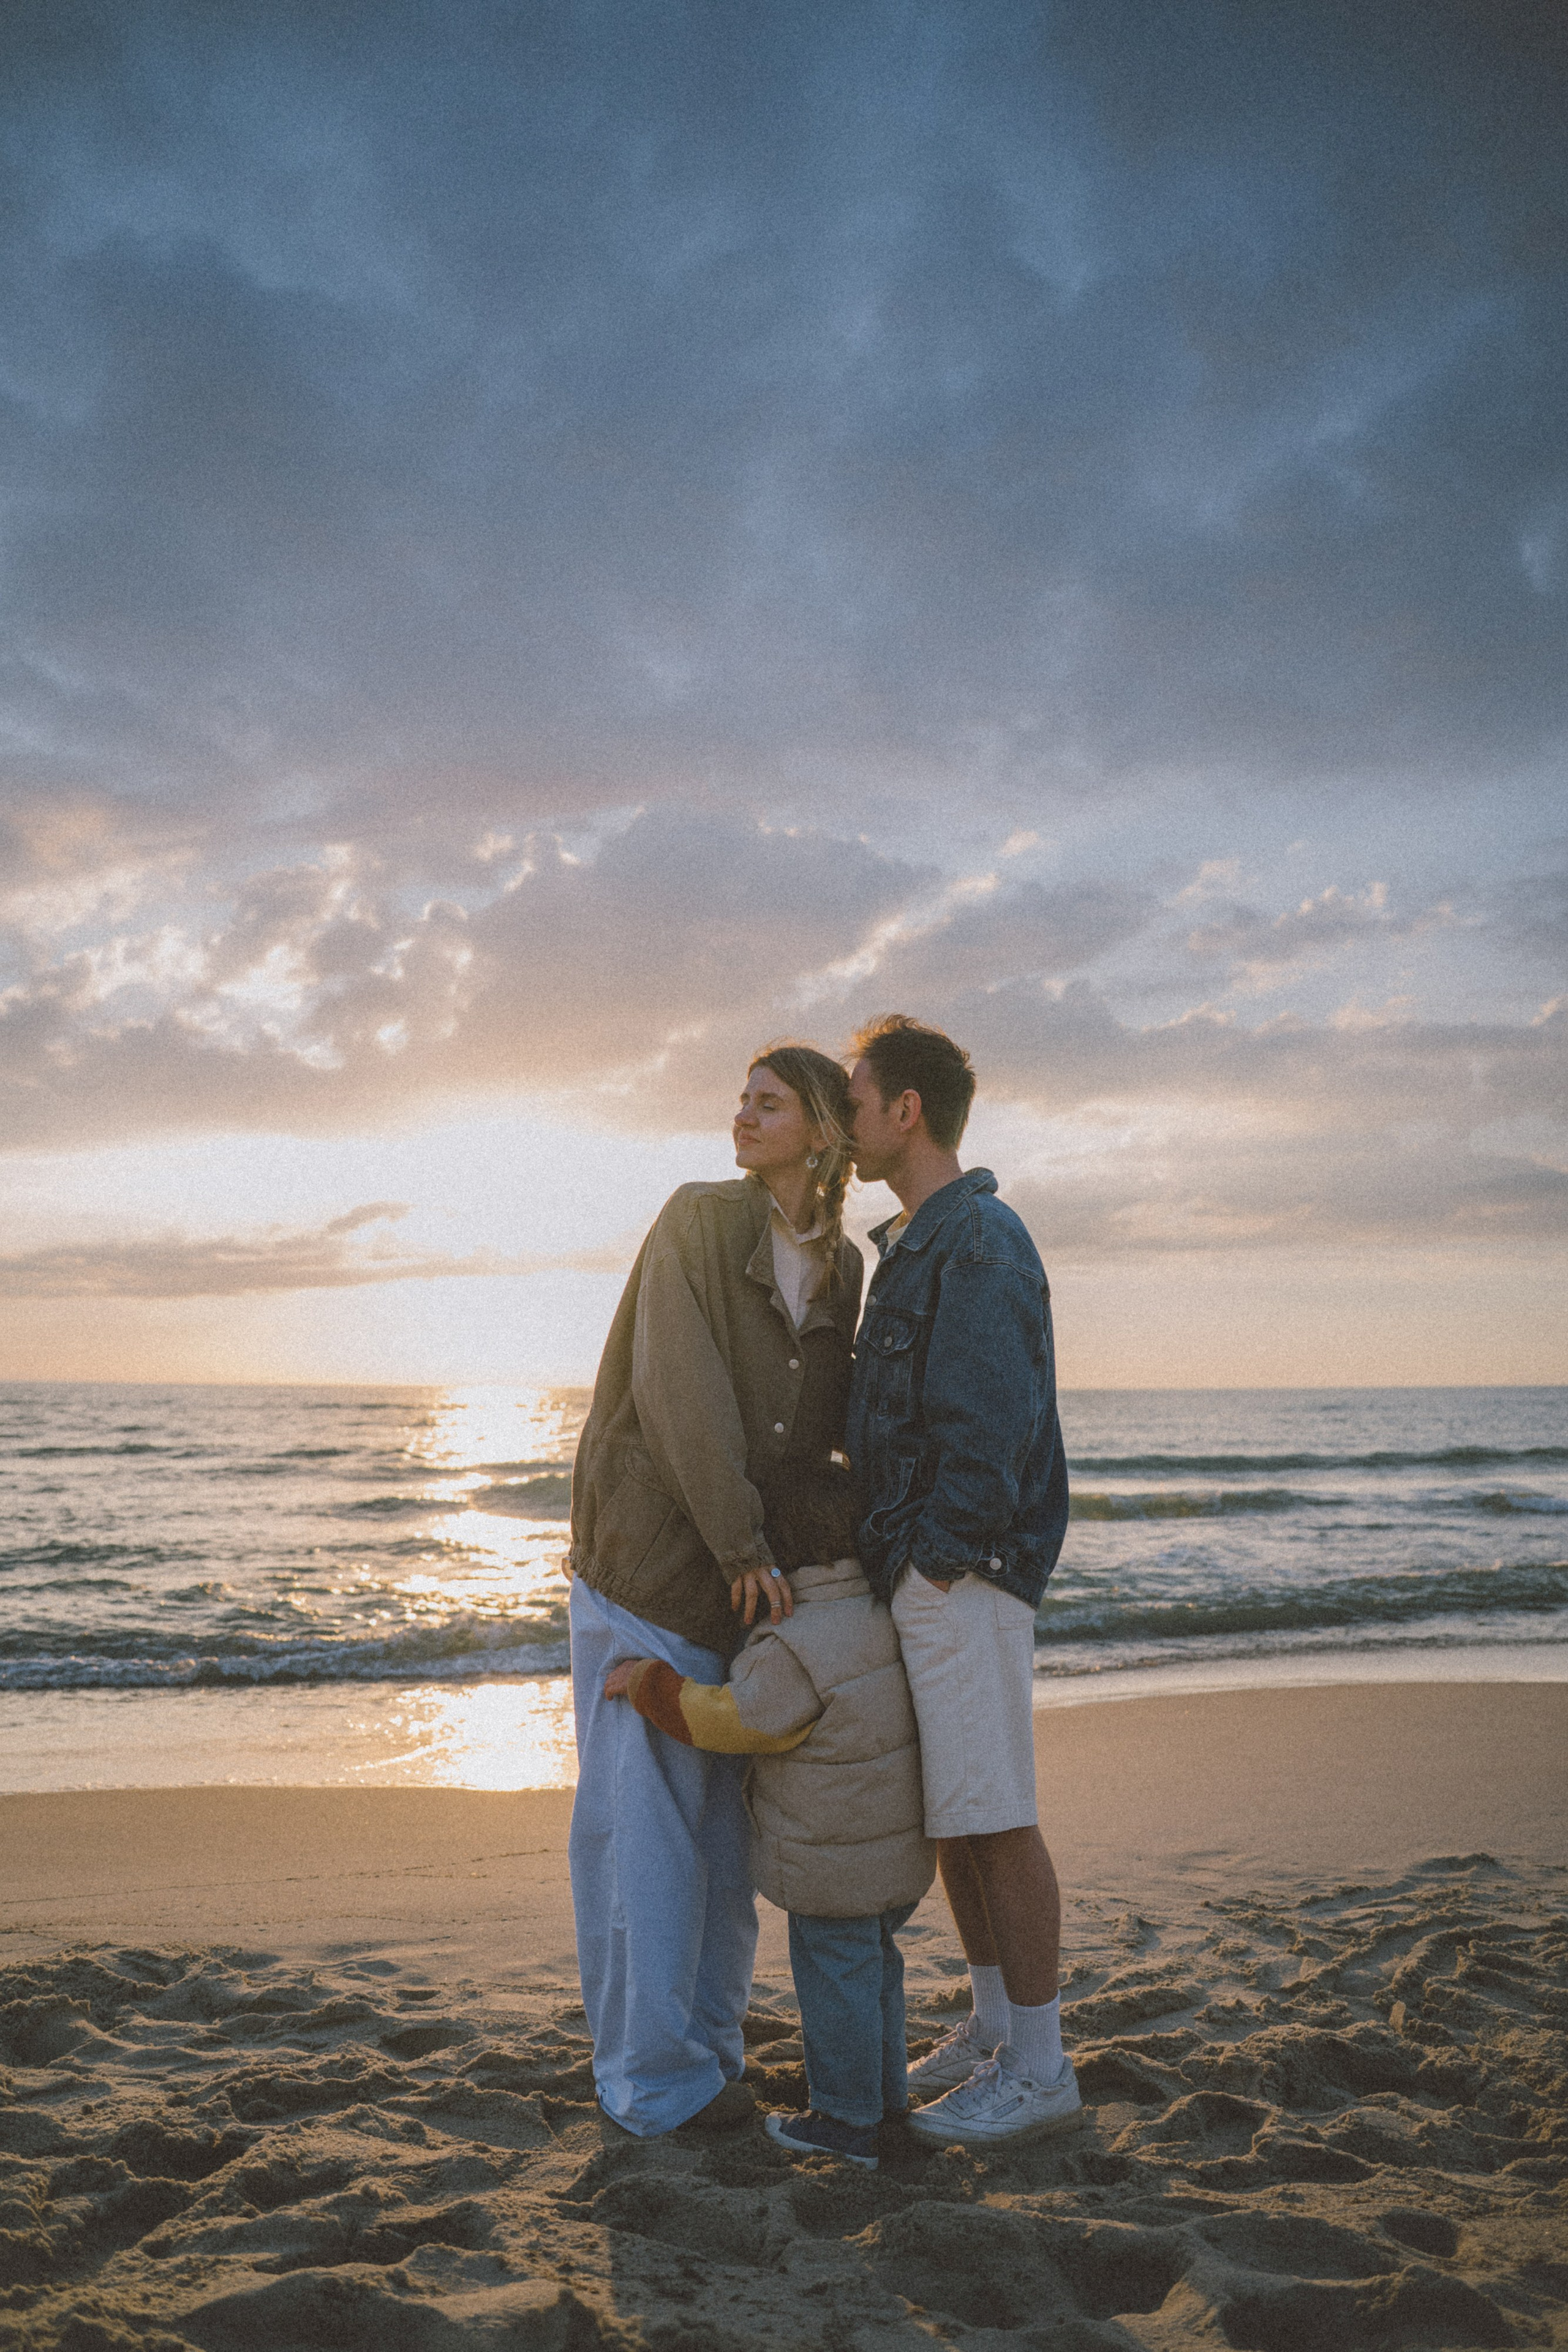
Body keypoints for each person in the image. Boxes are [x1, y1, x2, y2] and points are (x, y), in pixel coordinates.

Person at [567, 1043, 863, 2138]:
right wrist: (743, 1545)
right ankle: (649, 2083)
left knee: (724, 1839)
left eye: (769, 1102)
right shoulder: (696, 1219)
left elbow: (815, 1437)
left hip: (750, 1592)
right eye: (741, 1098)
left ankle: (711, 2054)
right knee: (641, 1830)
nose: (742, 1115)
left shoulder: (845, 1268)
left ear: (825, 1131)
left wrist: (809, 1561)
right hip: (650, 1564)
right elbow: (674, 1385)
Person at [843, 1014, 1079, 2147]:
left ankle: (1041, 2068)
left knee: (997, 1815)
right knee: (957, 1820)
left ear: (908, 1111)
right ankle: (994, 2030)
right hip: (928, 1568)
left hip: (964, 1570)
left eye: (855, 1099)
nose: (845, 1121)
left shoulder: (978, 1237)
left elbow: (989, 1427)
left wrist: (936, 1564)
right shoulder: (914, 1243)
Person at [601, 1460, 934, 2171]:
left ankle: (846, 2121)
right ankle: (887, 2103)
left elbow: (736, 1719)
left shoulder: (795, 1645)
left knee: (836, 1979)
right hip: (897, 1853)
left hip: (831, 1861)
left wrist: (649, 1683)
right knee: (877, 1970)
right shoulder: (885, 1613)